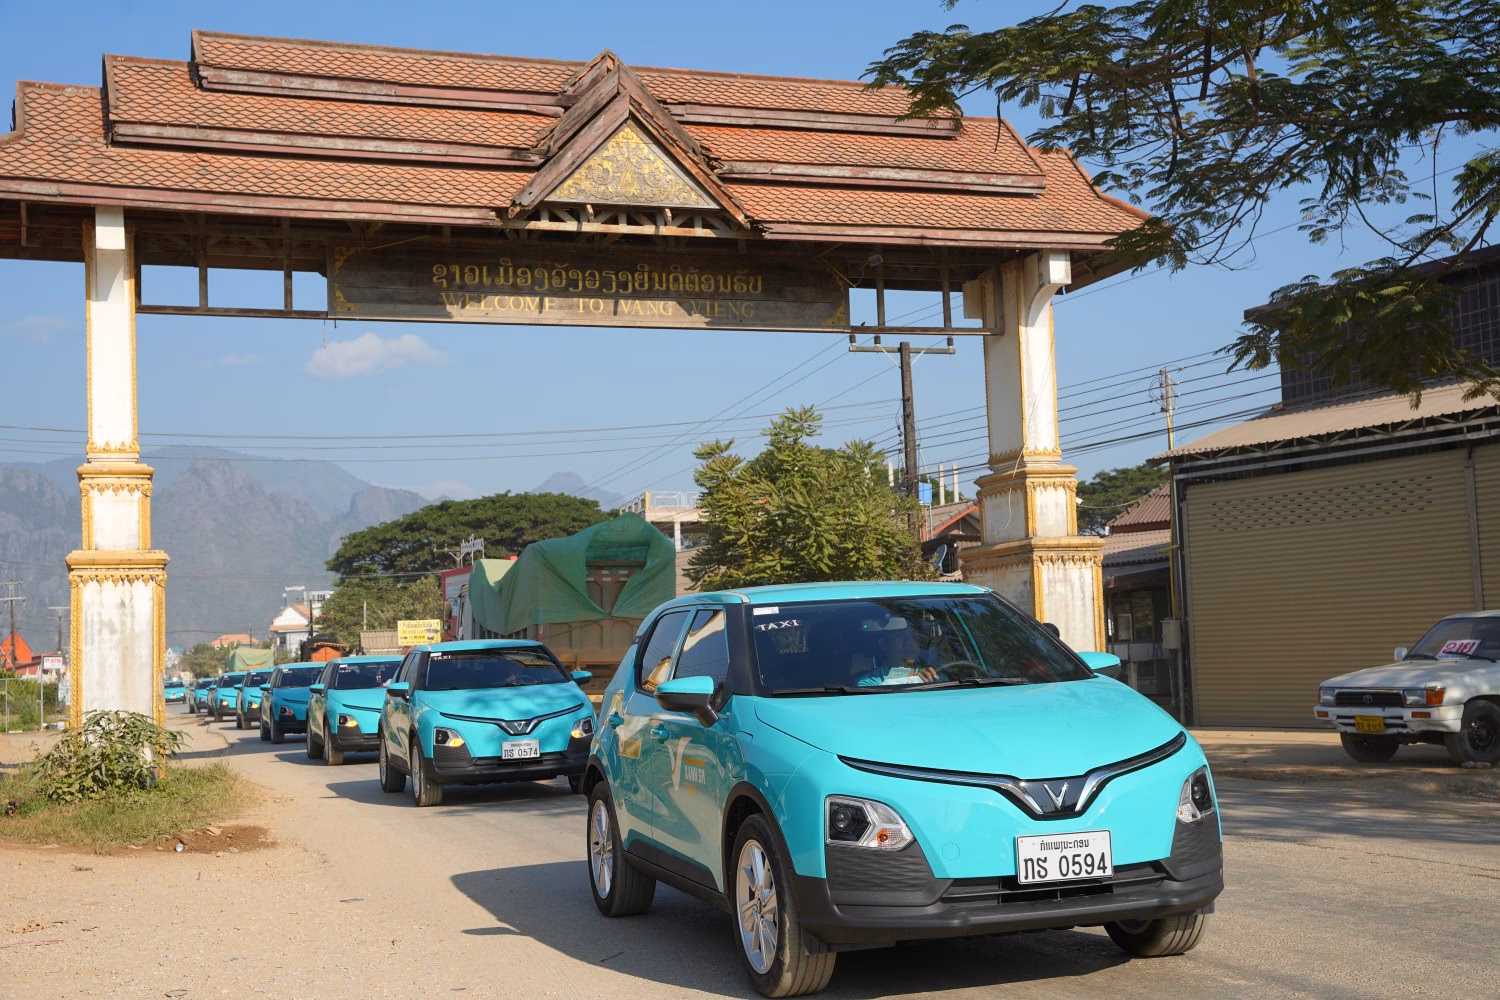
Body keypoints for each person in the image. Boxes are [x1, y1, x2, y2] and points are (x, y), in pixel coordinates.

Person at [853, 628, 941, 687]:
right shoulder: (868, 683)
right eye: (899, 636)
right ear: (883, 644)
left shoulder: (934, 675)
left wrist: (934, 682)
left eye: (914, 637)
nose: (909, 642)